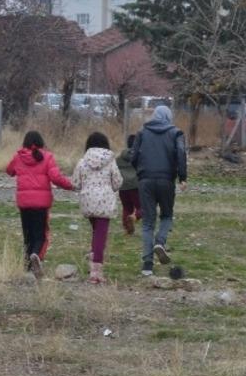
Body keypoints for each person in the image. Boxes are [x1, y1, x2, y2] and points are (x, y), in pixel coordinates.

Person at [6, 130, 74, 278]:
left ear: (25, 142)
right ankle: (36, 255)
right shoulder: (48, 157)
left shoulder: (18, 157)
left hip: (24, 203)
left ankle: (27, 265)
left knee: (27, 234)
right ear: (41, 142)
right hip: (41, 204)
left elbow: (9, 171)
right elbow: (56, 178)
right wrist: (71, 185)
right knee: (41, 235)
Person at [130, 105, 188, 277]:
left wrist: (141, 171)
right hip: (166, 180)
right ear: (168, 117)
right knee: (167, 215)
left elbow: (133, 156)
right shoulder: (176, 133)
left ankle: (147, 265)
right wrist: (182, 176)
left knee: (148, 222)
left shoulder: (141, 132)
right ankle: (160, 242)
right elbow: (181, 153)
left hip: (145, 180)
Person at [71, 132, 122, 284]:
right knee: (101, 235)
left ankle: (94, 256)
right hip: (105, 201)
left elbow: (75, 184)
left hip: (88, 201)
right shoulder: (110, 161)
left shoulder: (82, 162)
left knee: (96, 232)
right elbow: (118, 182)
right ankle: (96, 272)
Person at [115, 134, 141, 235]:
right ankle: (134, 217)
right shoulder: (139, 156)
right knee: (143, 208)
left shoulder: (118, 158)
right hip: (136, 186)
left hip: (123, 187)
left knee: (126, 208)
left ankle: (127, 229)